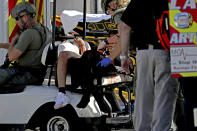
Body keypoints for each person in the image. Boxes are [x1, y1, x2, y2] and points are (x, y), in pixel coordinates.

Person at [120, 0, 179, 131]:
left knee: (143, 99)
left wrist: (124, 56)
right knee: (164, 100)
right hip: (168, 53)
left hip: (143, 54)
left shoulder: (138, 2)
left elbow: (124, 27)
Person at [0, 2, 47, 86]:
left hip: (27, 75)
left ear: (25, 17)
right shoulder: (43, 29)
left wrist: (14, 40)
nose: (16, 22)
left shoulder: (28, 33)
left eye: (17, 18)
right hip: (36, 74)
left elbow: (11, 57)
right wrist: (2, 45)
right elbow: (19, 48)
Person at [54, 35, 91, 109]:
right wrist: (82, 45)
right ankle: (62, 93)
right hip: (82, 61)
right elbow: (84, 58)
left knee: (64, 54)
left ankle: (62, 93)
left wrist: (82, 45)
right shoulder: (67, 49)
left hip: (93, 62)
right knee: (63, 54)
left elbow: (85, 58)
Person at [97, 0, 132, 67]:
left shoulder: (119, 13)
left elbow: (123, 36)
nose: (109, 14)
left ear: (112, 5)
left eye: (107, 11)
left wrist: (105, 42)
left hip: (146, 51)